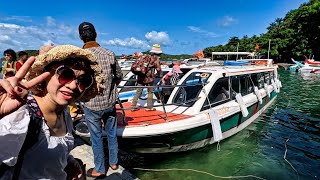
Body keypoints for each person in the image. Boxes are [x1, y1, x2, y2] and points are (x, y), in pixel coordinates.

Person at [0, 44, 105, 179]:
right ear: (45, 75)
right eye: (65, 74)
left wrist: (69, 161)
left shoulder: (64, 112)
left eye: (83, 80)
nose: (73, 85)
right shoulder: (21, 115)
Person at [78, 21, 123, 178]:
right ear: (96, 34)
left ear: (80, 37)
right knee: (111, 134)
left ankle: (100, 169)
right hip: (109, 103)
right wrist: (110, 88)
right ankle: (114, 162)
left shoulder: (80, 57)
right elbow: (119, 76)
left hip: (91, 105)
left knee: (96, 138)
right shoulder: (109, 53)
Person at [131, 44, 162, 111]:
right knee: (150, 92)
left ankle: (133, 106)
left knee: (138, 92)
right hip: (149, 78)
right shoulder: (156, 58)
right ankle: (149, 107)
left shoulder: (144, 57)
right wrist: (159, 75)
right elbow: (158, 69)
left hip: (141, 77)